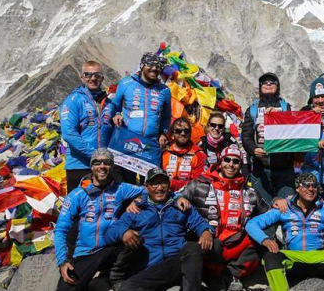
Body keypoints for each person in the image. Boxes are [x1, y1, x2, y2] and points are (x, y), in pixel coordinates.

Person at [246, 173, 324, 291]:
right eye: (306, 185)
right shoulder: (284, 208)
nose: (311, 189)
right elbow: (251, 224)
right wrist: (265, 240)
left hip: (320, 258)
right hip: (294, 257)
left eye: (314, 186)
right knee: (270, 256)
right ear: (297, 188)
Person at [104, 167, 215, 291]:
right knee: (127, 288)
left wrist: (206, 231)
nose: (160, 188)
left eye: (163, 183)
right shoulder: (136, 209)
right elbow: (109, 234)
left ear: (169, 185)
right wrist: (124, 232)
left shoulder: (180, 205)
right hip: (151, 269)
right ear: (146, 186)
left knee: (192, 248)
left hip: (177, 264)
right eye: (155, 184)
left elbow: (200, 223)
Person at [54, 148, 145, 291]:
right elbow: (60, 229)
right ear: (91, 167)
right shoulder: (77, 194)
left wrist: (138, 200)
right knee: (65, 289)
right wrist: (62, 262)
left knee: (135, 238)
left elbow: (151, 191)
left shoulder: (120, 188)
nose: (102, 166)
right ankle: (98, 282)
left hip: (109, 249)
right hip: (85, 253)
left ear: (112, 166)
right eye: (97, 163)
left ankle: (114, 276)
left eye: (107, 162)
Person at [180, 146, 266, 291]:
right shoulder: (200, 183)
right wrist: (179, 198)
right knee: (212, 245)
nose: (231, 164)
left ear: (240, 165)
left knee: (260, 240)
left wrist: (277, 201)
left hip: (236, 243)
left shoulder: (249, 191)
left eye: (236, 161)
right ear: (220, 162)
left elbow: (267, 212)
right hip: (210, 240)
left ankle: (230, 275)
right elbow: (176, 196)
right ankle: (213, 277)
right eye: (227, 160)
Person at [103, 52, 172, 184]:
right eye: (150, 65)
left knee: (150, 184)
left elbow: (167, 116)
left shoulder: (164, 90)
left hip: (150, 145)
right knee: (126, 183)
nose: (154, 68)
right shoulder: (126, 83)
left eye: (158, 66)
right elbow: (114, 105)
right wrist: (116, 114)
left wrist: (164, 133)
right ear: (142, 66)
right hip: (128, 142)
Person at [241, 72, 295, 204]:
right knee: (263, 208)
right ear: (260, 87)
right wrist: (253, 149)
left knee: (286, 207)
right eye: (265, 82)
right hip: (261, 169)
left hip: (284, 168)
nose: (269, 84)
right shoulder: (252, 110)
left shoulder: (286, 108)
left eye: (272, 82)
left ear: (278, 87)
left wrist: (281, 116)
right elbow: (246, 135)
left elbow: (294, 130)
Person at [60, 61, 110, 192]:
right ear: (82, 77)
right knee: (79, 202)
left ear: (102, 78)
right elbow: (69, 134)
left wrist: (118, 116)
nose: (93, 78)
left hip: (104, 166)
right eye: (88, 75)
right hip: (79, 166)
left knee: (102, 202)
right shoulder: (73, 100)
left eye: (97, 75)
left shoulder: (108, 102)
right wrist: (94, 155)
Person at [162, 117, 207, 190]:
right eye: (178, 131)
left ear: (190, 133)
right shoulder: (163, 153)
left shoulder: (199, 155)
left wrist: (172, 183)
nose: (183, 133)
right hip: (166, 193)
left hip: (189, 194)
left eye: (186, 131)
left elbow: (198, 184)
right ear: (172, 135)